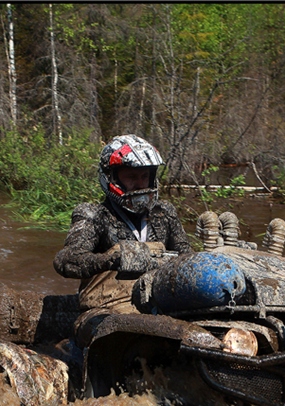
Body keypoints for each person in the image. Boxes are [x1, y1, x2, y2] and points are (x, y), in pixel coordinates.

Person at [53, 134, 192, 343]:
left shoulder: (164, 214)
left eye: (144, 176)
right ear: (112, 178)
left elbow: (187, 256)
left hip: (159, 307)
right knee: (130, 335)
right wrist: (113, 260)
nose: (140, 184)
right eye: (131, 177)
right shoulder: (94, 215)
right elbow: (65, 260)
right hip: (102, 312)